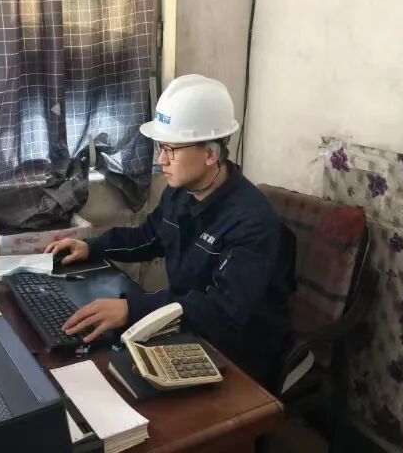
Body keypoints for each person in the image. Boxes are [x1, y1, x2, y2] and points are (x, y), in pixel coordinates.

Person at [46, 74, 295, 386]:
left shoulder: (252, 222)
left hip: (238, 353)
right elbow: (149, 237)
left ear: (210, 154)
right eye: (160, 147)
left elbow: (223, 311)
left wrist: (134, 308)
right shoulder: (180, 192)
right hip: (188, 325)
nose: (161, 159)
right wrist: (92, 246)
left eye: (171, 149)